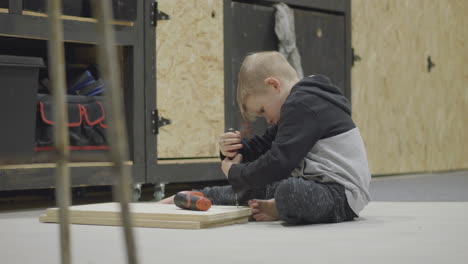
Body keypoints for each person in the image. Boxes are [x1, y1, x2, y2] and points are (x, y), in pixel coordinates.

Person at [160, 51, 371, 224]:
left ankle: (280, 207)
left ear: (274, 85)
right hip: (316, 184)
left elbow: (278, 163)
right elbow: (264, 145)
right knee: (263, 187)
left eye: (262, 110)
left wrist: (236, 172)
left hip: (342, 194)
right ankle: (203, 195)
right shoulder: (296, 105)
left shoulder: (303, 105)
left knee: (288, 191)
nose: (266, 119)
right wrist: (235, 148)